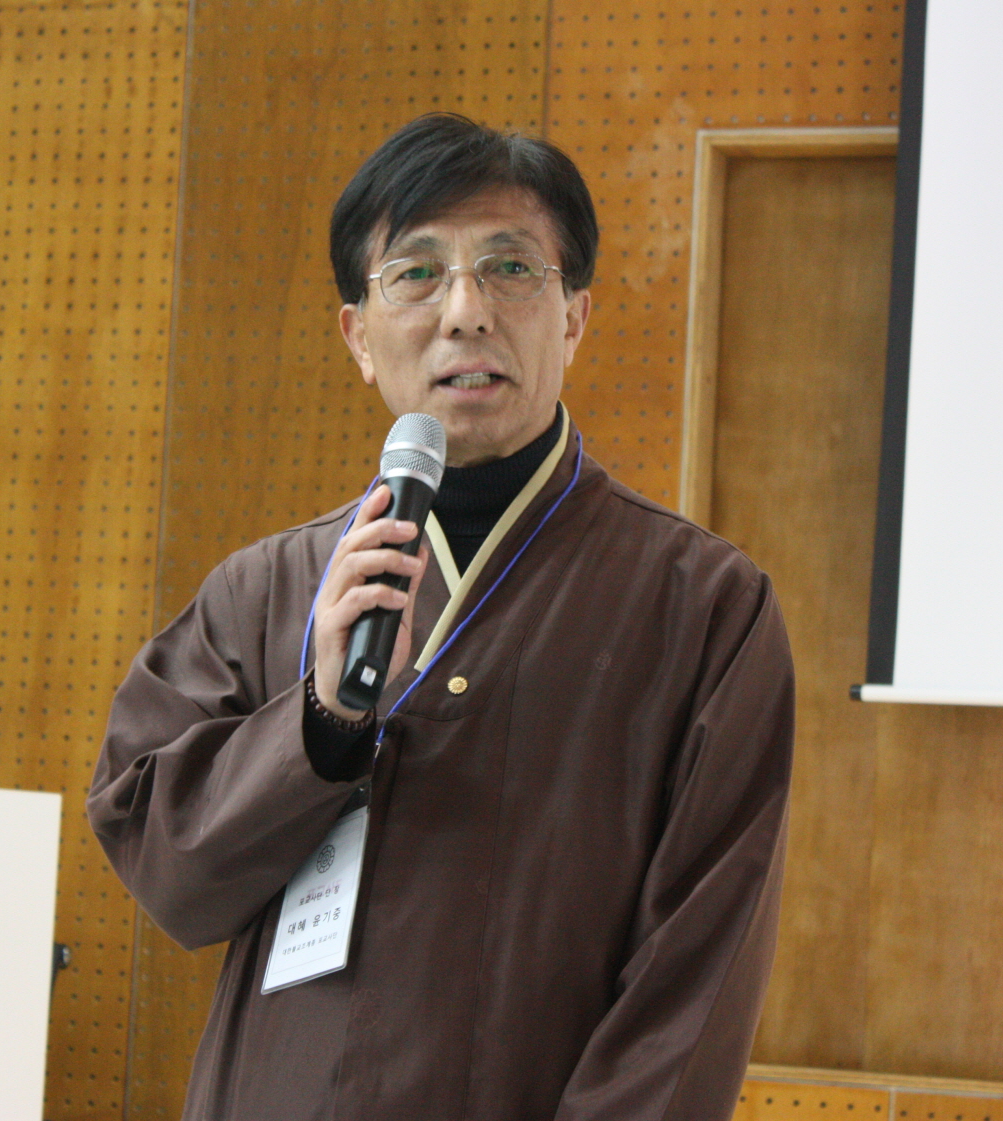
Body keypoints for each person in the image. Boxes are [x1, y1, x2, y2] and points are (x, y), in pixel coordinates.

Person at [89, 113, 794, 1121]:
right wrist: (321, 722)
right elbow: (169, 875)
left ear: (574, 318)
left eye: (510, 268)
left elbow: (697, 979)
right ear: (358, 337)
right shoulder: (265, 589)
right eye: (417, 274)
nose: (466, 311)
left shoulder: (703, 605)